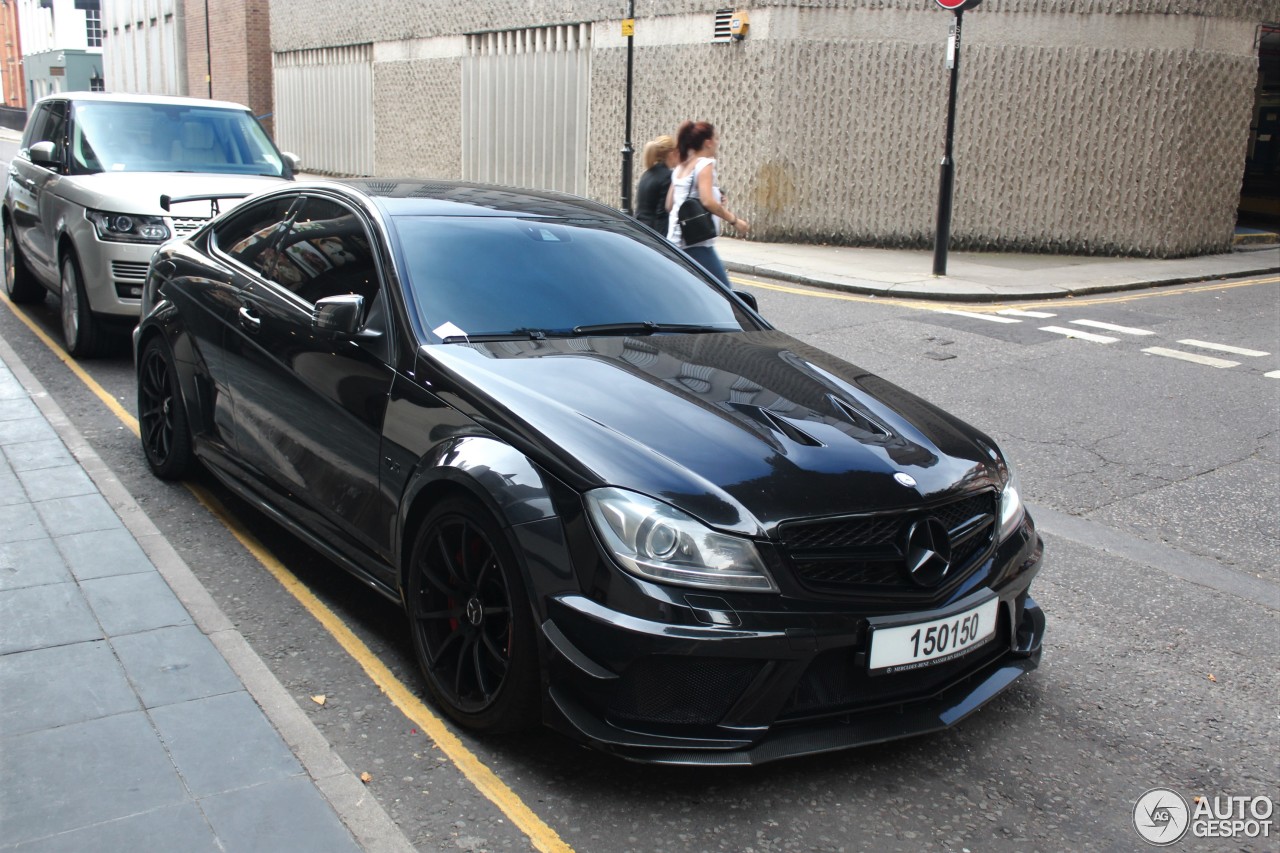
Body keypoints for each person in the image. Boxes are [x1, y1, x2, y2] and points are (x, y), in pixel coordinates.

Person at [665, 121, 749, 287]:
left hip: (675, 240)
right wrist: (735, 221)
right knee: (726, 295)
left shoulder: (681, 166)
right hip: (696, 244)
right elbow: (707, 201)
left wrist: (717, 196)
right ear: (708, 142)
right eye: (716, 138)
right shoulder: (705, 164)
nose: (717, 143)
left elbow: (669, 204)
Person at [635, 135, 679, 236]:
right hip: (653, 232)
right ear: (671, 153)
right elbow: (662, 214)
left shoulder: (647, 174)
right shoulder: (668, 176)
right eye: (677, 152)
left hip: (640, 229)